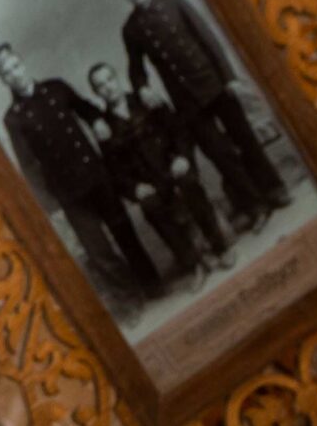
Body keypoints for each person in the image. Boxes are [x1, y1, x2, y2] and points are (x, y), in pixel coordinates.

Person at [108, 0, 291, 228]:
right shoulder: (131, 29)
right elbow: (135, 69)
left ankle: (274, 189)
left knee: (245, 139)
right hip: (185, 100)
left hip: (215, 83)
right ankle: (255, 205)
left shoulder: (174, 1)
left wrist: (229, 78)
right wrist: (142, 87)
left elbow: (209, 40)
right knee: (220, 155)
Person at [0, 42, 161, 292]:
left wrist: (96, 120)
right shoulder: (13, 118)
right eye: (7, 72)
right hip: (68, 193)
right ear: (4, 80)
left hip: (95, 175)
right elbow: (28, 165)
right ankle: (132, 296)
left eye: (16, 65)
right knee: (98, 251)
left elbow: (85, 108)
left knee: (125, 234)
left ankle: (153, 286)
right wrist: (50, 206)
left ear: (22, 63)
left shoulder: (56, 88)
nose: (15, 73)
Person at [83, 60, 230, 284]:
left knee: (189, 184)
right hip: (149, 182)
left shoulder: (145, 100)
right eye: (100, 86)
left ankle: (220, 247)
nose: (108, 88)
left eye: (109, 80)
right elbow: (114, 171)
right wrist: (135, 188)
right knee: (151, 206)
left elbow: (179, 130)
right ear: (96, 93)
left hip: (172, 166)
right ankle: (194, 264)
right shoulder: (105, 128)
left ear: (117, 78)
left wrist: (182, 157)